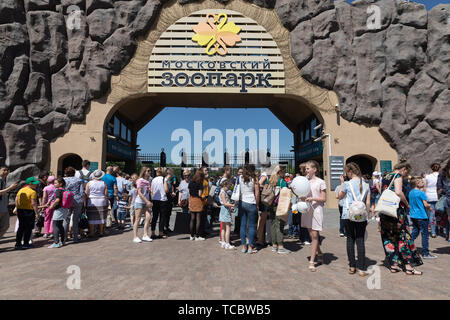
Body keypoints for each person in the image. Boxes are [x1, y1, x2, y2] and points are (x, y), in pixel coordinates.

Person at [379, 161, 423, 275]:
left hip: (385, 210)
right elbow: (398, 192)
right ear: (403, 169)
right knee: (403, 237)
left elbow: (382, 191)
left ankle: (394, 265)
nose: (405, 175)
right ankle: (408, 266)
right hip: (396, 211)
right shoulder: (397, 176)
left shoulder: (386, 176)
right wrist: (407, 204)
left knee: (388, 237)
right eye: (406, 172)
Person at [338, 163, 370, 276]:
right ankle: (361, 268)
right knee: (360, 240)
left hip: (348, 214)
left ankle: (352, 266)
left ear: (350, 171)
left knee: (350, 239)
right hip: (361, 215)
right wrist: (368, 216)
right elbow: (368, 202)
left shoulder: (347, 184)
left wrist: (342, 183)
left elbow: (339, 196)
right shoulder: (366, 184)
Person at [302, 160, 327, 271]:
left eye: (308, 168)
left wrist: (312, 198)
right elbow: (302, 195)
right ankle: (320, 253)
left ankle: (312, 261)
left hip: (317, 209)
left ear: (314, 169)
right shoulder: (304, 181)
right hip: (307, 210)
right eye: (306, 168)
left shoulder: (321, 182)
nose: (306, 170)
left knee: (315, 235)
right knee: (312, 236)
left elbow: (323, 198)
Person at [409, 177, 437, 259]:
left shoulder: (411, 192)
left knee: (414, 233)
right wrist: (430, 207)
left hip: (413, 216)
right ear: (417, 183)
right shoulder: (421, 193)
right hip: (422, 216)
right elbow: (425, 204)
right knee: (425, 235)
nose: (423, 183)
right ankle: (426, 253)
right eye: (421, 182)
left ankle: (407, 246)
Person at [268, 166, 290, 254]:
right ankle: (280, 246)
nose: (284, 173)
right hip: (279, 205)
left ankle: (274, 245)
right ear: (280, 172)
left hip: (270, 204)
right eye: (283, 171)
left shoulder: (270, 181)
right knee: (280, 225)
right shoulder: (282, 182)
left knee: (273, 224)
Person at [239, 164, 260, 254]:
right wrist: (257, 204)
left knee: (243, 225)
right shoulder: (254, 179)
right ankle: (250, 247)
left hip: (242, 201)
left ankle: (244, 246)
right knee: (251, 226)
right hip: (251, 202)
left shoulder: (240, 177)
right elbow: (257, 193)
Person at [14, 177, 40, 249]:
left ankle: (18, 243)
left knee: (21, 227)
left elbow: (16, 199)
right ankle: (26, 243)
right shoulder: (33, 192)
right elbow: (34, 203)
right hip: (29, 211)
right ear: (30, 183)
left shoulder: (21, 190)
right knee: (28, 228)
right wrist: (37, 213)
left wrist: (17, 207)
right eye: (34, 184)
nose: (36, 185)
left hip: (20, 210)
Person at [63, 166, 84, 243]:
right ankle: (75, 238)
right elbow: (82, 192)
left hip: (66, 200)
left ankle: (64, 237)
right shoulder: (79, 180)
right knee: (75, 219)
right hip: (77, 200)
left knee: (66, 219)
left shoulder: (63, 180)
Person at [85, 170, 108, 237]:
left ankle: (92, 232)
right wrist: (107, 202)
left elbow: (86, 193)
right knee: (101, 216)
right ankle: (101, 231)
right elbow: (106, 194)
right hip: (101, 200)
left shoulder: (89, 183)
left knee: (91, 217)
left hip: (92, 201)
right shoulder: (104, 183)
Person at [47, 177, 69, 248]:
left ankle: (56, 242)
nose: (54, 184)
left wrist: (52, 206)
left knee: (55, 225)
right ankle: (62, 241)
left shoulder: (58, 190)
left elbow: (57, 200)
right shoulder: (63, 190)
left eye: (56, 183)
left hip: (59, 209)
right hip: (64, 209)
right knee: (60, 225)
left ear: (60, 184)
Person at [133, 167, 153, 243]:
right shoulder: (140, 180)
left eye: (149, 170)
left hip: (146, 202)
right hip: (139, 201)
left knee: (148, 217)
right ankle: (135, 236)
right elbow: (139, 192)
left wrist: (149, 200)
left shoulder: (148, 181)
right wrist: (147, 201)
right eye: (148, 171)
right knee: (137, 219)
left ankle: (145, 235)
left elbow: (148, 192)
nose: (149, 172)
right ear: (144, 172)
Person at [150, 167, 170, 239]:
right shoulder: (164, 179)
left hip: (155, 199)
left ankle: (152, 233)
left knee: (154, 217)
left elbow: (151, 190)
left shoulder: (153, 179)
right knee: (162, 217)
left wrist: (152, 198)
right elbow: (166, 189)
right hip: (162, 200)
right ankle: (161, 233)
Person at [0, 166, 18, 238]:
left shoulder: (3, 180)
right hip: (1, 208)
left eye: (7, 170)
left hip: (3, 208)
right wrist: (10, 188)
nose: (6, 171)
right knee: (5, 226)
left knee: (6, 226)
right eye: (4, 170)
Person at [424, 163, 440, 238]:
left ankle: (433, 232)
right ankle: (439, 229)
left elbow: (424, 188)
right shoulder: (442, 176)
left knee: (431, 215)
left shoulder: (427, 177)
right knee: (440, 214)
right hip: (439, 196)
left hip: (429, 196)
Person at [219, 179, 236, 250]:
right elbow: (225, 203)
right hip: (225, 210)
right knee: (228, 227)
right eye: (228, 187)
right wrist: (232, 205)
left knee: (223, 227)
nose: (229, 188)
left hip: (223, 210)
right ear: (225, 185)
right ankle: (227, 243)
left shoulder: (222, 191)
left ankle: (223, 242)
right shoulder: (223, 192)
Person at [188, 169, 205, 241]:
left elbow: (189, 193)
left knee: (192, 218)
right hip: (198, 200)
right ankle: (197, 236)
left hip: (192, 199)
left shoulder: (191, 182)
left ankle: (191, 236)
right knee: (198, 218)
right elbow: (200, 194)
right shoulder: (200, 183)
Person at [256, 166, 270, 248]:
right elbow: (259, 184)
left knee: (262, 220)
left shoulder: (263, 175)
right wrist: (267, 187)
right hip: (264, 200)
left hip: (263, 200)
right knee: (262, 221)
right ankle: (260, 240)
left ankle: (261, 239)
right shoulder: (265, 175)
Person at [436, 162, 450, 242]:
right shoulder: (442, 173)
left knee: (448, 217)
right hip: (447, 197)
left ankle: (448, 236)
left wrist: (439, 199)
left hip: (446, 198)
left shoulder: (442, 172)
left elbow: (439, 188)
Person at [164, 168, 176, 233]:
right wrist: (171, 194)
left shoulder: (169, 180)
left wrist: (172, 193)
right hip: (166, 200)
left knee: (168, 214)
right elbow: (165, 191)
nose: (173, 174)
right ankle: (164, 228)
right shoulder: (165, 180)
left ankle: (167, 226)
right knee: (165, 214)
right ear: (170, 173)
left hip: (169, 200)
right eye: (173, 172)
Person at [232, 167, 243, 237]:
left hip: (242, 198)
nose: (240, 174)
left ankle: (239, 230)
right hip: (237, 198)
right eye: (239, 172)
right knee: (237, 215)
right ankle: (236, 230)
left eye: (242, 172)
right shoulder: (235, 179)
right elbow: (233, 188)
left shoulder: (243, 179)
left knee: (241, 215)